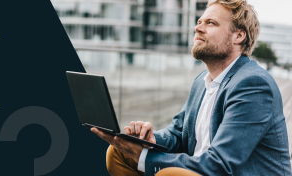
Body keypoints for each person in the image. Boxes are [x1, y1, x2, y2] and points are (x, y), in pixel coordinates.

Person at [91, 0, 292, 175]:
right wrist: (148, 139)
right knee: (117, 154)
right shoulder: (202, 81)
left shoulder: (253, 84)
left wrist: (144, 158)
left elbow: (221, 164)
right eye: (199, 22)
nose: (198, 28)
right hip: (205, 170)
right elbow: (178, 135)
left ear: (238, 36)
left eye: (211, 23)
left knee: (169, 174)